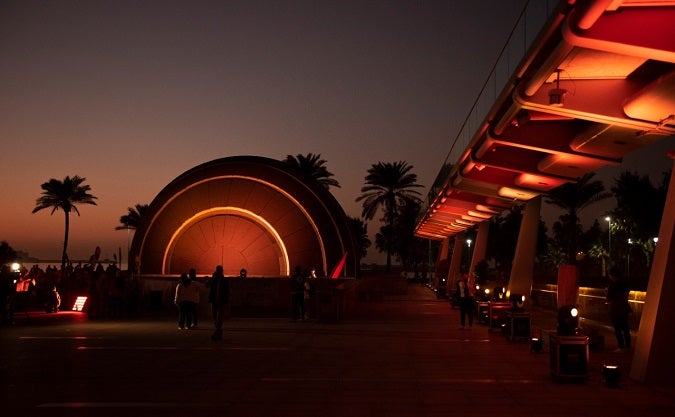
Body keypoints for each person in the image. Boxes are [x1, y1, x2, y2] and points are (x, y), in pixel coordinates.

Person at [606, 267, 631, 352]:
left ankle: (621, 346)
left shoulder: (612, 286)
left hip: (616, 310)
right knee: (625, 328)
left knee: (618, 329)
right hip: (624, 308)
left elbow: (609, 299)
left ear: (612, 276)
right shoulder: (624, 284)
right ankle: (628, 346)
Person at [207, 265, 229, 341]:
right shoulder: (220, 279)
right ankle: (218, 333)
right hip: (218, 300)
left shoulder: (218, 279)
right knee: (218, 318)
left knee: (217, 318)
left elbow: (207, 285)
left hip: (216, 300)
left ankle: (217, 333)